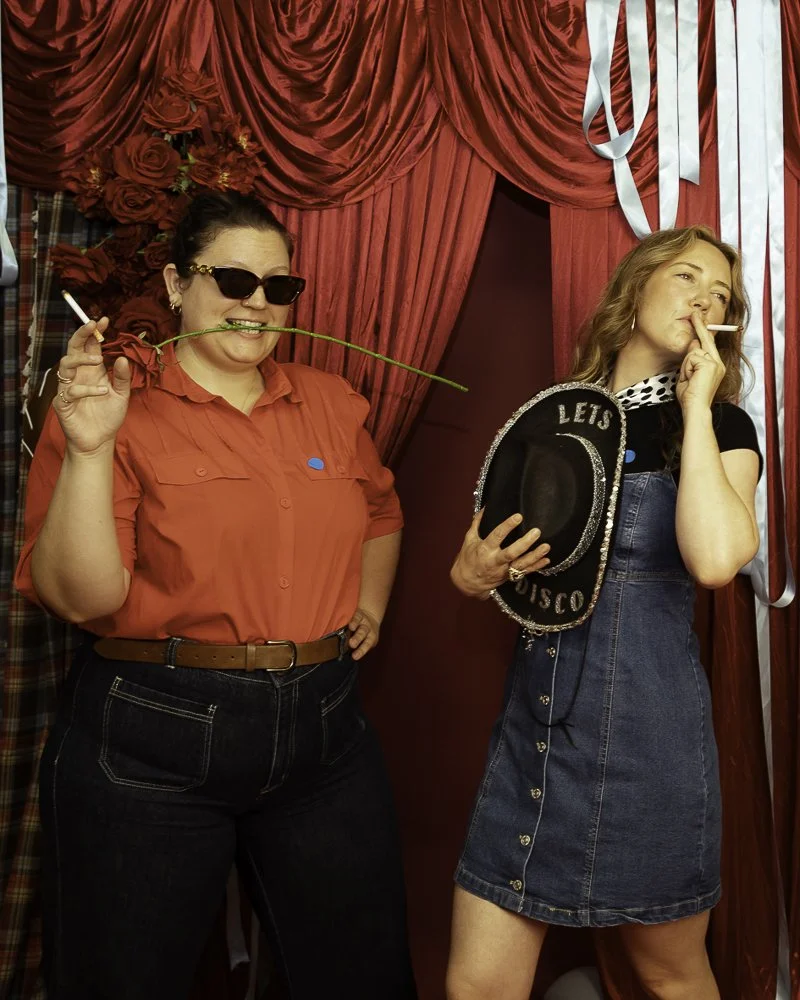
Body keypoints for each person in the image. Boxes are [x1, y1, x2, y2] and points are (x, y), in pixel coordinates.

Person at [15, 191, 417, 1000]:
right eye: (233, 280)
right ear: (173, 282)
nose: (257, 304)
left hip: (324, 732)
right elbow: (81, 598)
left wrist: (367, 605)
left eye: (279, 288)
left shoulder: (331, 402)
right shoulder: (111, 403)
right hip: (153, 732)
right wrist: (91, 448)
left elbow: (379, 507)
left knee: (363, 978)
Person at [446, 225, 761, 1000]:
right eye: (687, 277)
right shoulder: (554, 419)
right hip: (535, 734)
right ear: (635, 291)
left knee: (670, 975)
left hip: (648, 744)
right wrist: (475, 571)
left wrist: (693, 408)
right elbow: (472, 568)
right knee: (478, 985)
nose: (703, 300)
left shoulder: (722, 428)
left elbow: (717, 560)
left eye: (719, 296)